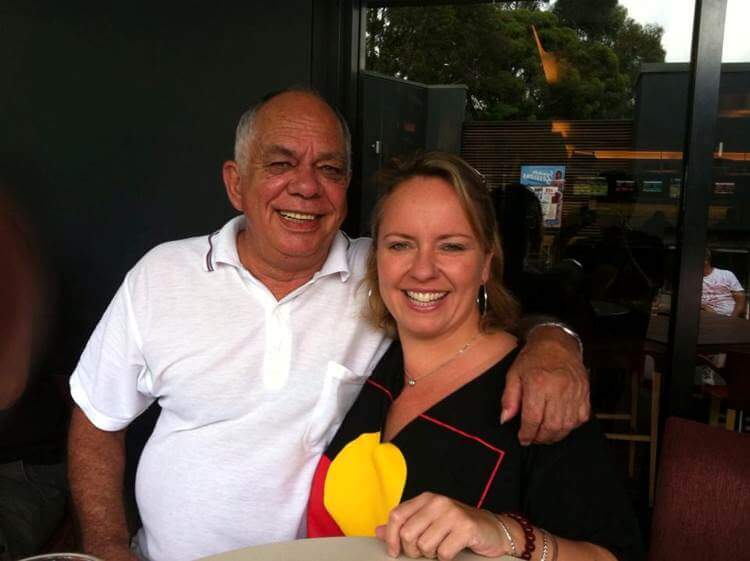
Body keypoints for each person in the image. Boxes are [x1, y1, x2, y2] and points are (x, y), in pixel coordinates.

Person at [68, 88, 590, 561]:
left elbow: (476, 311)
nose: (306, 187)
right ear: (235, 183)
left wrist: (554, 342)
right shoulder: (162, 275)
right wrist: (109, 548)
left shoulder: (383, 271)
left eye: (330, 169)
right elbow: (96, 418)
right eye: (281, 163)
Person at [307, 152, 643, 561]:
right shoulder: (376, 353)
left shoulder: (538, 392)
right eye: (400, 245)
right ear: (377, 259)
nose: (423, 270)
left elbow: (613, 555)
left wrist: (505, 534)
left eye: (451, 246)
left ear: (486, 262)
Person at [701, 248, 746, 318]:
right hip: (704, 318)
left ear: (705, 260)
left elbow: (740, 299)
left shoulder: (726, 274)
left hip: (729, 317)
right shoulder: (689, 279)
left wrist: (732, 319)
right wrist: (703, 307)